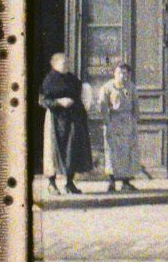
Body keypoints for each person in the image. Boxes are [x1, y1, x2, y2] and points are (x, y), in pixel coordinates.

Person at [39, 52, 93, 195]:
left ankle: (69, 183)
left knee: (72, 151)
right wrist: (59, 102)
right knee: (53, 150)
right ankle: (52, 184)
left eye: (68, 62)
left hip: (73, 119)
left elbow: (80, 96)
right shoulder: (49, 80)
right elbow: (43, 100)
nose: (67, 65)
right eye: (64, 63)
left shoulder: (73, 79)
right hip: (56, 119)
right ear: (55, 64)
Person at [93, 62, 141, 193]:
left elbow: (135, 105)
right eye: (119, 72)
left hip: (128, 123)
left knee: (128, 152)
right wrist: (107, 121)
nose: (122, 75)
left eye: (125, 73)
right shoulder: (107, 87)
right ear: (114, 73)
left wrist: (135, 120)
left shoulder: (131, 87)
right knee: (112, 152)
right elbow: (102, 106)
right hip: (113, 122)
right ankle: (112, 182)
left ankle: (126, 182)